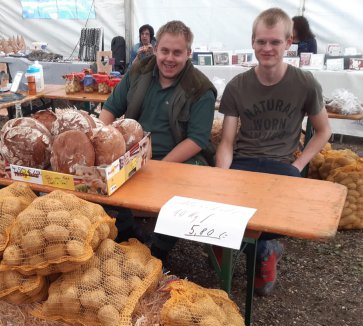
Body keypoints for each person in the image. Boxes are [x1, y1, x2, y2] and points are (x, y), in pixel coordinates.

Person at [216, 7, 331, 296]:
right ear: (253, 42)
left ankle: (265, 249)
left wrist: (298, 166)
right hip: (244, 161)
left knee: (269, 219)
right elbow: (227, 141)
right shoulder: (237, 86)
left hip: (281, 164)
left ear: (289, 42)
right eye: (261, 42)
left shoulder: (304, 83)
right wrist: (221, 177)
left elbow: (323, 131)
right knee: (222, 217)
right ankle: (245, 246)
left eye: (275, 42)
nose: (267, 49)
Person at [100, 20, 216, 258]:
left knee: (182, 198)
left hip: (178, 159)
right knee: (100, 185)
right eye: (164, 51)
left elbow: (197, 140)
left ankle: (159, 252)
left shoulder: (200, 88)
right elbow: (111, 108)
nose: (169, 59)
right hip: (134, 154)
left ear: (188, 53)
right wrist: (100, 138)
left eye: (177, 52)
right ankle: (127, 233)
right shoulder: (140, 70)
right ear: (155, 48)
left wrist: (158, 166)